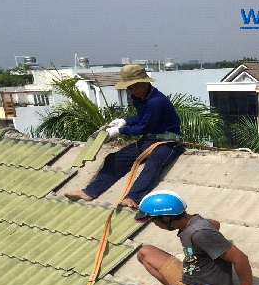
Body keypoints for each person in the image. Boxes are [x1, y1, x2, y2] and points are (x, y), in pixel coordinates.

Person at [133, 190, 255, 285]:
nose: (155, 224)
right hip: (190, 276)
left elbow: (241, 258)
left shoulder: (199, 233)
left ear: (166, 217)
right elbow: (215, 224)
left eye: (154, 221)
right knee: (145, 252)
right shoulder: (192, 222)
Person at [64, 64, 184, 209]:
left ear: (146, 82)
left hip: (168, 142)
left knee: (154, 162)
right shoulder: (138, 97)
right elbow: (143, 117)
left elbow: (145, 127)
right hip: (149, 140)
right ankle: (89, 192)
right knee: (114, 159)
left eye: (137, 86)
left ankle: (133, 197)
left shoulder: (155, 101)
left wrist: (120, 131)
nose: (134, 90)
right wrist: (126, 120)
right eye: (130, 87)